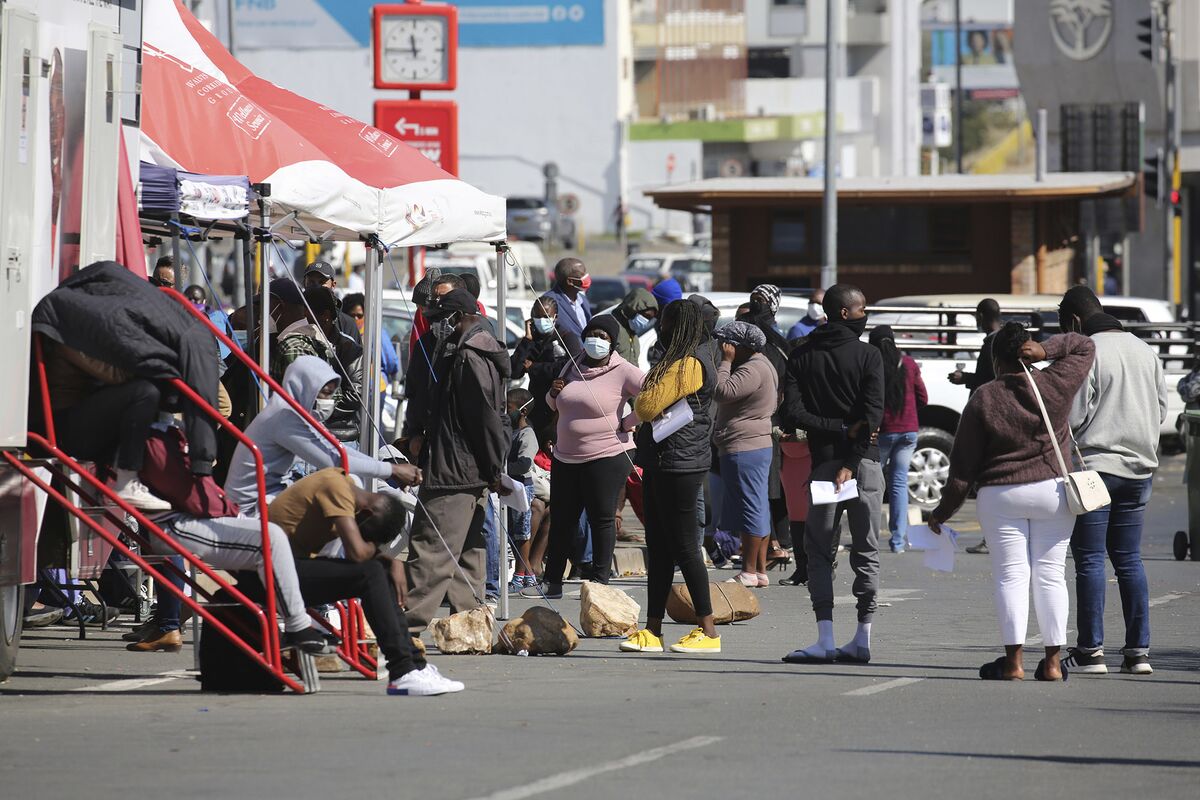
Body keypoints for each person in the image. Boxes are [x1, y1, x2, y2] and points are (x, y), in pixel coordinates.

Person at [929, 324, 1095, 681]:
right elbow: (1083, 345)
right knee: (1052, 575)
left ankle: (1014, 663)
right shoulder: (1056, 383)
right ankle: (1052, 664)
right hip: (1053, 490)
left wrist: (941, 514)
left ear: (995, 358)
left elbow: (962, 470)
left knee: (1010, 576)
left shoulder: (984, 397)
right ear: (1028, 350)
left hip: (1001, 494)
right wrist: (1048, 351)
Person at [268, 468, 464, 696]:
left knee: (378, 569)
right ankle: (403, 670)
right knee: (372, 572)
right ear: (366, 514)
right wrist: (388, 560)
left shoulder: (347, 486)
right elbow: (357, 553)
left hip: (289, 571)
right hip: (268, 577)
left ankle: (414, 665)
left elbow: (362, 553)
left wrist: (389, 562)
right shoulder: (336, 487)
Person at [1058, 286, 1166, 676]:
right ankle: (1138, 652)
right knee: (1128, 559)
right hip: (1139, 470)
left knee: (1089, 560)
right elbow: (1161, 409)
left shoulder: (1088, 353)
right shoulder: (1144, 351)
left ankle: (1091, 651)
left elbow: (1072, 418)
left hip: (1096, 469)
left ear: (1073, 322)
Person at [780, 283, 884, 664]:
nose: (865, 316)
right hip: (864, 466)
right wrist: (851, 458)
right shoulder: (869, 355)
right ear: (846, 313)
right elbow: (872, 417)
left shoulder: (801, 354)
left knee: (820, 552)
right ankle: (862, 637)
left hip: (823, 466)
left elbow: (793, 413)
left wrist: (832, 431)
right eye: (862, 310)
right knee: (867, 550)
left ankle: (825, 639)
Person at [403, 288, 511, 637]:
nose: (436, 327)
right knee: (467, 552)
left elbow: (484, 420)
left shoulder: (468, 357)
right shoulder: (473, 350)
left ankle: (404, 628)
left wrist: (495, 468)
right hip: (468, 467)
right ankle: (470, 626)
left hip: (455, 468)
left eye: (441, 320)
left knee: (430, 550)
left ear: (459, 317)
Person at [622, 299, 721, 655]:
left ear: (677, 326)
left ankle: (708, 630)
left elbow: (646, 406)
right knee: (659, 547)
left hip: (681, 462)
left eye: (664, 321)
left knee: (684, 547)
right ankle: (652, 629)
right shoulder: (676, 360)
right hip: (663, 460)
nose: (659, 326)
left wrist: (649, 393)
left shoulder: (690, 363)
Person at [526, 315, 644, 597]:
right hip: (566, 456)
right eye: (592, 334)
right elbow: (556, 403)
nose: (596, 340)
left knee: (601, 518)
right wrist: (553, 395)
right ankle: (552, 581)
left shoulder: (623, 370)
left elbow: (654, 396)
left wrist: (629, 423)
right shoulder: (573, 363)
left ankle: (601, 583)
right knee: (563, 518)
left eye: (603, 336)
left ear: (613, 343)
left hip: (607, 454)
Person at [224, 356, 419, 507]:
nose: (329, 401)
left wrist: (386, 469)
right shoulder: (284, 417)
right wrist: (391, 470)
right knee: (337, 487)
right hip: (251, 506)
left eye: (332, 393)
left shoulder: (295, 414)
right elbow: (333, 459)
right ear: (304, 388)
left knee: (349, 485)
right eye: (324, 392)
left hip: (273, 495)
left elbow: (338, 448)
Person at [712, 321, 778, 587]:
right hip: (753, 444)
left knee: (751, 507)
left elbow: (722, 391)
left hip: (745, 445)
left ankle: (749, 571)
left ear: (736, 347)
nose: (720, 347)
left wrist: (725, 363)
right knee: (758, 506)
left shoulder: (753, 368)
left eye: (725, 344)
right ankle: (759, 570)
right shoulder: (764, 364)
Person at [949, 297, 1003, 555]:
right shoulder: (1001, 339)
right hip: (999, 416)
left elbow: (987, 378)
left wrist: (964, 378)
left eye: (977, 317)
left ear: (982, 315)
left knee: (985, 479)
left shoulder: (993, 341)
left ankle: (991, 538)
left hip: (987, 416)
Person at [869, 325, 928, 553]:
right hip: (908, 431)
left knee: (873, 485)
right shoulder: (909, 364)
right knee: (899, 484)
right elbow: (923, 397)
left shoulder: (873, 365)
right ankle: (897, 542)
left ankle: (869, 538)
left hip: (883, 431)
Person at [510, 294, 583, 440]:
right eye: (538, 316)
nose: (542, 320)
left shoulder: (567, 337)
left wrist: (535, 367)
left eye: (546, 316)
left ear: (555, 316)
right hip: (537, 405)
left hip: (560, 406)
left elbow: (571, 367)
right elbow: (515, 371)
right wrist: (527, 340)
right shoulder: (532, 340)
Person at [505, 388, 540, 591]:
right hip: (509, 487)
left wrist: (501, 468)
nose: (505, 412)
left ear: (523, 411)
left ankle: (521, 574)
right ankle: (526, 574)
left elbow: (524, 465)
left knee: (522, 533)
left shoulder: (527, 435)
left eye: (508, 408)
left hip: (521, 488)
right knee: (512, 532)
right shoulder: (510, 432)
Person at [342, 291, 400, 385]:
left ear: (366, 315)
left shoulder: (374, 332)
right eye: (352, 315)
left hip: (374, 388)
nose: (356, 319)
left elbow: (391, 361)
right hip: (349, 387)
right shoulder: (341, 333)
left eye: (359, 315)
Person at [303, 260, 363, 347]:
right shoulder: (296, 317)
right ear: (304, 283)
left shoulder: (347, 324)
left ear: (333, 285)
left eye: (322, 282)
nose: (316, 287)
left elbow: (354, 356)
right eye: (311, 282)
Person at [545, 257, 593, 341]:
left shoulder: (582, 299)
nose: (586, 277)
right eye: (582, 275)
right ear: (570, 281)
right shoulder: (548, 302)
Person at [606, 288, 658, 365]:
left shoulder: (633, 334)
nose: (646, 321)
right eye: (645, 316)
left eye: (649, 318)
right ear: (634, 308)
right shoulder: (611, 328)